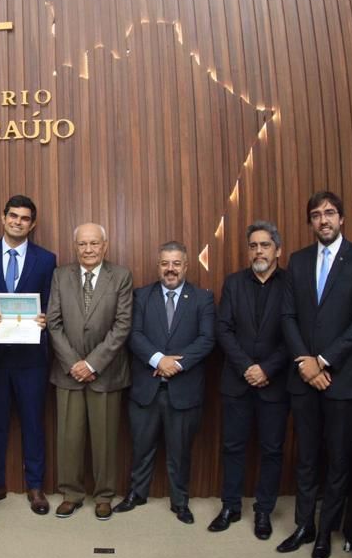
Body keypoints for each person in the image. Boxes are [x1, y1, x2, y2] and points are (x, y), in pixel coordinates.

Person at [278, 191, 352, 558]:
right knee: (305, 456)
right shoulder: (298, 261)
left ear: (342, 219)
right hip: (303, 377)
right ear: (309, 222)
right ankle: (304, 525)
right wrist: (305, 363)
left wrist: (322, 361)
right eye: (317, 215)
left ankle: (325, 532)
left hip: (343, 380)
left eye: (330, 213)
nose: (324, 220)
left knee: (337, 459)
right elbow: (287, 317)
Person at [0, 195, 56, 515]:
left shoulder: (46, 259)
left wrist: (45, 317)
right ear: (2, 217)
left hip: (31, 358)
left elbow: (51, 302)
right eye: (13, 216)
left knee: (34, 422)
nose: (18, 222)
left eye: (24, 218)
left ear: (32, 224)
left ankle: (35, 485)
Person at [118, 241, 214, 524]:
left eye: (176, 264)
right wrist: (159, 359)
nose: (170, 269)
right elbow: (133, 334)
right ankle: (136, 493)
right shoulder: (141, 295)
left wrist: (177, 364)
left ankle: (180, 501)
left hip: (184, 390)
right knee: (141, 446)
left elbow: (207, 339)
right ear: (158, 266)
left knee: (180, 451)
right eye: (164, 263)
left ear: (186, 266)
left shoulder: (202, 298)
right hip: (146, 388)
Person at [47, 223, 132, 521]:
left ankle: (104, 495)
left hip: (106, 373)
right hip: (67, 372)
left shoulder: (121, 276)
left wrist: (92, 363)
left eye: (94, 243)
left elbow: (122, 326)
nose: (88, 249)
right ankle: (71, 493)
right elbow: (53, 324)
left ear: (105, 246)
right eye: (82, 244)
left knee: (105, 438)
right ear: (75, 246)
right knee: (69, 439)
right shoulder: (60, 275)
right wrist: (74, 363)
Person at [210, 221, 289, 539]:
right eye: (254, 245)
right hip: (237, 380)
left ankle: (263, 511)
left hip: (276, 381)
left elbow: (294, 335)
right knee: (233, 446)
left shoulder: (292, 284)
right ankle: (230, 506)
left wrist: (266, 368)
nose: (259, 250)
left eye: (265, 245)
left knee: (272, 449)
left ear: (278, 250)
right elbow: (223, 329)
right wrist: (247, 367)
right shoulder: (234, 283)